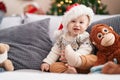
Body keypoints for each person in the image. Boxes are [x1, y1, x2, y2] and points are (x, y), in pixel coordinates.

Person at [40, 3, 97, 74]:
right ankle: (68, 72)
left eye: (81, 22)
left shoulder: (85, 37)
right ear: (67, 23)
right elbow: (55, 51)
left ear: (86, 25)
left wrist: (73, 58)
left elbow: (86, 49)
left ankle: (83, 70)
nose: (77, 25)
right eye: (73, 21)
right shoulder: (62, 38)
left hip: (81, 62)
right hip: (66, 65)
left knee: (93, 59)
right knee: (53, 66)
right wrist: (47, 62)